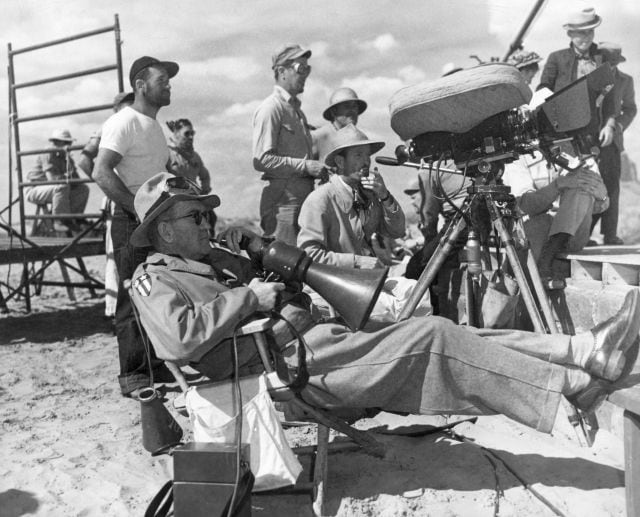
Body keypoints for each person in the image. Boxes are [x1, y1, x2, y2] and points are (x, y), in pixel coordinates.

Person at [130, 171, 640, 437]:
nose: (205, 225)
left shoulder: (209, 264)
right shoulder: (151, 279)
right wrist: (251, 297)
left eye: (203, 216)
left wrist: (273, 289)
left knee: (449, 332)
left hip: (311, 348)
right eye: (194, 219)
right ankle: (571, 385)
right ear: (163, 229)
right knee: (434, 336)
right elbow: (179, 339)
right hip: (284, 370)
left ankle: (583, 351)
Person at [92, 56, 179, 397]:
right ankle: (133, 376)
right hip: (131, 221)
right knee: (133, 296)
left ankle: (154, 364)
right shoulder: (123, 121)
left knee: (154, 292)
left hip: (154, 219)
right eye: (163, 80)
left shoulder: (154, 126)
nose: (169, 85)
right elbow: (101, 171)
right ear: (141, 85)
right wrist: (136, 209)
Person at [297, 124, 404, 269]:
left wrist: (385, 196)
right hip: (336, 284)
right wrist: (357, 262)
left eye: (367, 155)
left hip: (366, 280)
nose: (366, 161)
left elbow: (396, 231)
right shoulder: (320, 200)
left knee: (414, 287)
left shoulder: (368, 195)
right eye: (359, 155)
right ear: (340, 162)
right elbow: (309, 255)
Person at [252, 43, 327, 245]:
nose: (305, 74)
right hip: (283, 207)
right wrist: (305, 166)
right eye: (300, 68)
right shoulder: (271, 108)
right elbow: (261, 159)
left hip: (301, 202)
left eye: (307, 69)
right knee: (285, 266)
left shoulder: (296, 112)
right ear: (282, 72)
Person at [77, 91, 135, 319]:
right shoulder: (109, 127)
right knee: (115, 257)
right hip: (119, 201)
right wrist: (110, 188)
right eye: (127, 106)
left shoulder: (138, 125)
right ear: (118, 108)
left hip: (140, 199)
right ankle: (113, 311)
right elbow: (84, 160)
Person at [537, 7, 616, 151]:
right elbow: (543, 89)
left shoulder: (602, 59)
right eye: (581, 33)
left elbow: (609, 98)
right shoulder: (557, 58)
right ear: (570, 33)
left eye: (590, 32)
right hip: (562, 135)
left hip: (592, 135)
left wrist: (609, 126)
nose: (587, 37)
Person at [590, 43, 637, 245]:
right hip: (586, 140)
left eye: (613, 63)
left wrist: (616, 127)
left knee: (611, 187)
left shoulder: (626, 81)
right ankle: (585, 234)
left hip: (611, 143)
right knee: (589, 186)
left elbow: (630, 109)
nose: (609, 66)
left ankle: (610, 235)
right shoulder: (590, 78)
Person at [26, 129, 89, 234]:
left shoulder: (66, 157)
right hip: (34, 189)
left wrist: (70, 175)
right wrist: (68, 178)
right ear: (57, 142)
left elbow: (77, 180)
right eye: (67, 142)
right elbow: (52, 179)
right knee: (62, 186)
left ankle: (74, 218)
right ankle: (59, 220)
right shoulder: (48, 153)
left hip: (53, 189)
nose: (69, 145)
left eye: (69, 142)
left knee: (83, 189)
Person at [311, 87, 367, 163]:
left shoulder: (358, 139)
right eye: (347, 106)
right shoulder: (318, 137)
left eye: (354, 106)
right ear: (334, 111)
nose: (352, 110)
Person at [167, 118, 212, 194]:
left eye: (192, 133)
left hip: (194, 198)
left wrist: (204, 192)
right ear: (176, 134)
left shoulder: (195, 157)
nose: (191, 137)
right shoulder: (167, 153)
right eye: (187, 134)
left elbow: (205, 176)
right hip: (174, 199)